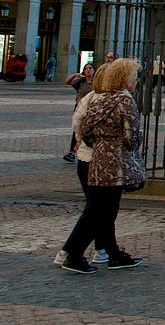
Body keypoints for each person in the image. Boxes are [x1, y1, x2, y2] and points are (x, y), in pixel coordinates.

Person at [56, 57, 145, 273]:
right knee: (100, 210)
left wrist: (99, 142)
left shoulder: (97, 99)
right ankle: (72, 254)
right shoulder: (125, 101)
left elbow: (83, 130)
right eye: (133, 76)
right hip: (115, 162)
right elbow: (132, 136)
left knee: (101, 208)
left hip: (96, 159)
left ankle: (111, 253)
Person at [62, 63, 96, 163]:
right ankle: (72, 152)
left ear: (94, 70)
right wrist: (74, 75)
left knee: (89, 130)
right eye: (86, 68)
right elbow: (67, 81)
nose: (88, 70)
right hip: (80, 108)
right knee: (77, 129)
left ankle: (90, 151)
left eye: (90, 68)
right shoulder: (80, 82)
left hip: (92, 109)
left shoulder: (96, 83)